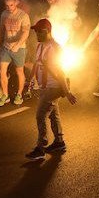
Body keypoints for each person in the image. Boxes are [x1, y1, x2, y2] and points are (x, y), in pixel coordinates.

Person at [24, 19, 76, 160]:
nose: (36, 34)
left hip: (53, 88)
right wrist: (29, 80)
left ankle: (41, 148)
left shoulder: (54, 48)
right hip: (45, 87)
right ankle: (59, 142)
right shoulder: (40, 45)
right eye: (35, 31)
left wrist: (67, 92)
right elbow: (36, 63)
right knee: (53, 115)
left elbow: (60, 71)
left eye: (38, 31)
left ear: (46, 31)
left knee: (40, 116)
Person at [0, 0, 31, 107]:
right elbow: (1, 29)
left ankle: (19, 94)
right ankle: (5, 95)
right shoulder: (4, 14)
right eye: (7, 6)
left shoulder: (23, 16)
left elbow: (26, 32)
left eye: (11, 5)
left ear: (16, 4)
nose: (9, 8)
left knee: (19, 71)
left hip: (19, 49)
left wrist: (18, 44)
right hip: (6, 47)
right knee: (1, 71)